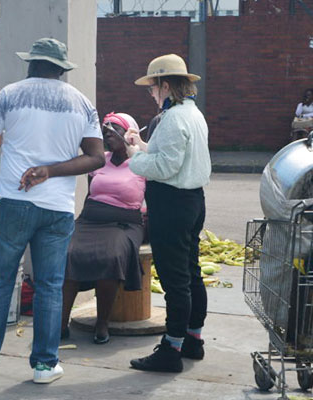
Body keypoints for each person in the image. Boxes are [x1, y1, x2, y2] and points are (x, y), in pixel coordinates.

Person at [0, 37, 105, 384]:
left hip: (13, 202)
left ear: (31, 64)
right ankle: (44, 365)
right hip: (57, 209)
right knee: (50, 286)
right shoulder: (82, 103)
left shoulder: (10, 94)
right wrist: (51, 170)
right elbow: (96, 157)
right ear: (61, 69)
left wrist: (0, 142)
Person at [123, 54, 211, 373]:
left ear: (164, 84)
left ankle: (171, 349)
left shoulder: (173, 119)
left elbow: (165, 166)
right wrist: (145, 145)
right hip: (192, 200)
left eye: (152, 88)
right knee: (190, 272)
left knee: (175, 280)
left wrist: (133, 155)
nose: (151, 94)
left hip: (172, 204)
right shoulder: (190, 113)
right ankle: (192, 339)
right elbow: (171, 155)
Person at [60, 112, 146, 345]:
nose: (107, 137)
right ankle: (61, 322)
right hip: (91, 219)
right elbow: (92, 193)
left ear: (128, 133)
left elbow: (151, 199)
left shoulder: (140, 161)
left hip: (124, 223)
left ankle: (102, 322)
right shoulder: (101, 160)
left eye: (113, 132)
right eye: (105, 133)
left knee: (111, 256)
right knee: (68, 254)